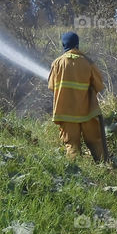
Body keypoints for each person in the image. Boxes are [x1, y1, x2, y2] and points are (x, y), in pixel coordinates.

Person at [48, 31, 106, 162]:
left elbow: (51, 87)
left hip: (66, 114)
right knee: (96, 143)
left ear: (64, 45)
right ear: (77, 44)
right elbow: (99, 85)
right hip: (88, 113)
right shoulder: (88, 62)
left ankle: (76, 175)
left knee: (71, 146)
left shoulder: (57, 63)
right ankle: (105, 168)